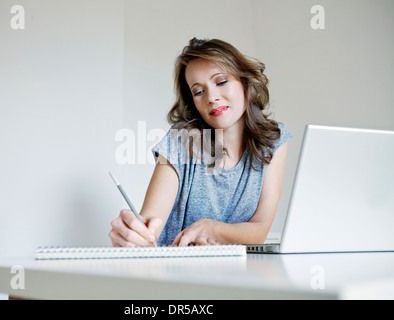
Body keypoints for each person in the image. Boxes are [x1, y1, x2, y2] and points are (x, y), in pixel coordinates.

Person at [109, 38, 292, 247]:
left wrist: (211, 228)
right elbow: (152, 224)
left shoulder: (274, 141)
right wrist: (135, 237)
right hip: (174, 273)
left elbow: (259, 230)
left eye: (221, 81)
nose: (212, 97)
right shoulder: (179, 141)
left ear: (245, 81)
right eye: (198, 91)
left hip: (235, 275)